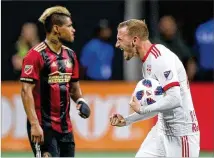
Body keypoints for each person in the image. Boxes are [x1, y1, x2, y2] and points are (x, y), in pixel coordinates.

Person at [110, 19, 200, 157]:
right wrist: (127, 120)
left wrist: (142, 109)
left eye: (120, 39)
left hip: (182, 134)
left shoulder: (161, 59)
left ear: (134, 40)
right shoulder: (148, 61)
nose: (117, 44)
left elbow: (175, 99)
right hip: (162, 129)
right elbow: (157, 106)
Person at [20, 6, 91, 157]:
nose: (74, 30)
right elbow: (26, 91)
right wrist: (34, 124)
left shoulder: (70, 55)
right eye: (70, 26)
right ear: (57, 29)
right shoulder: (35, 55)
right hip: (43, 127)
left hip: (66, 129)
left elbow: (74, 88)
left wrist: (81, 100)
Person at [152, 16, 197, 81]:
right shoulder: (155, 43)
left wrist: (188, 78)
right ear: (160, 27)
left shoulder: (179, 42)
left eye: (171, 25)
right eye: (165, 26)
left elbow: (190, 59)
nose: (168, 28)